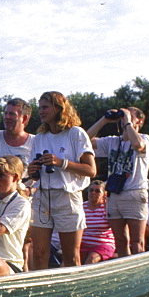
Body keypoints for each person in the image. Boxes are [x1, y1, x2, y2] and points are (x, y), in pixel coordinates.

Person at [25, 91, 97, 269]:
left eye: (45, 107)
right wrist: (32, 171)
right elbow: (34, 174)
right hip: (42, 198)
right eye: (39, 108)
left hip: (68, 197)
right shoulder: (40, 137)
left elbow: (91, 170)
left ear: (59, 108)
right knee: (39, 253)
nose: (41, 112)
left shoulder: (76, 134)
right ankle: (39, 292)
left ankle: (74, 294)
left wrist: (61, 162)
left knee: (70, 256)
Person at [86, 107, 149, 257]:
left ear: (140, 121)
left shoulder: (145, 138)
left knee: (137, 242)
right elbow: (84, 140)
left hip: (134, 193)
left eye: (129, 114)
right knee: (120, 240)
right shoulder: (113, 141)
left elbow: (137, 145)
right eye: (123, 115)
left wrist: (129, 122)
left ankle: (139, 272)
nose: (124, 118)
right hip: (114, 195)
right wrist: (104, 120)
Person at [80, 180, 116, 263]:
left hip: (103, 244)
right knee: (69, 259)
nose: (93, 193)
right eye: (91, 190)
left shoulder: (107, 207)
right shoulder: (81, 207)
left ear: (104, 194)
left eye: (97, 191)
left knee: (92, 259)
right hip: (83, 244)